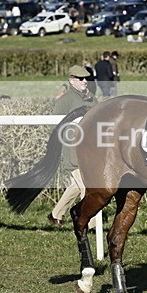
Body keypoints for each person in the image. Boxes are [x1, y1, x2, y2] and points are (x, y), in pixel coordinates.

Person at [47, 66, 99, 227]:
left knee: (76, 185)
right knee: (86, 186)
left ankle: (56, 214)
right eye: (80, 78)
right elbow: (55, 128)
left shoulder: (92, 99)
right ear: (70, 80)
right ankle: (92, 224)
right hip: (72, 150)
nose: (85, 81)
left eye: (87, 78)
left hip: (89, 149)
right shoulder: (64, 101)